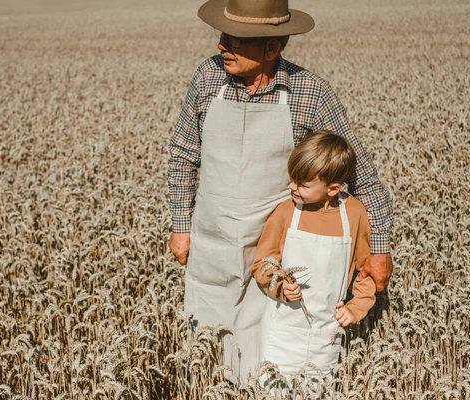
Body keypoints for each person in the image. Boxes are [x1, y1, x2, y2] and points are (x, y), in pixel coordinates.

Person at [167, 0, 393, 379]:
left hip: (274, 257)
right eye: (223, 35)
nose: (221, 44)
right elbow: (182, 153)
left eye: (235, 40)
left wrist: (380, 250)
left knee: (266, 366)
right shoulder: (207, 78)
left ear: (272, 48)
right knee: (206, 363)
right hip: (212, 245)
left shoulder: (312, 93)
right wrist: (180, 225)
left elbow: (362, 175)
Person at [252, 130, 376, 380]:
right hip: (281, 333)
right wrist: (279, 287)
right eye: (292, 178)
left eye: (302, 184)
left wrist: (356, 307)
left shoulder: (354, 214)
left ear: (332, 189)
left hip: (325, 336)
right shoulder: (286, 212)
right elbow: (262, 262)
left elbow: (366, 269)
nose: (291, 187)